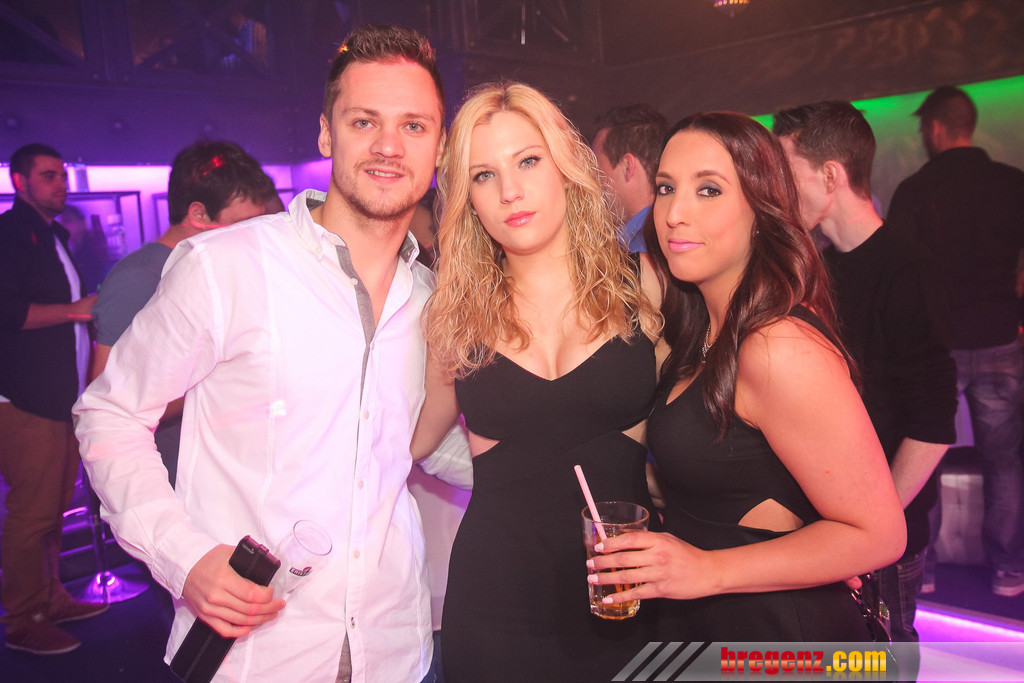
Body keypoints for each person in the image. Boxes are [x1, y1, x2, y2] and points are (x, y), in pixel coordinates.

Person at [74, 25, 469, 682]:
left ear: (439, 148)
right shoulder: (224, 266)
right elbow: (110, 415)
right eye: (364, 121)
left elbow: (415, 443)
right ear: (326, 134)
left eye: (413, 125)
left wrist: (543, 467)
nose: (388, 145)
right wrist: (184, 556)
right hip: (258, 654)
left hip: (395, 648)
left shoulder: (430, 299)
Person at [590, 112, 906, 641]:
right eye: (666, 188)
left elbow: (879, 534)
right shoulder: (703, 330)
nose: (675, 214)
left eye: (709, 190)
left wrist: (706, 569)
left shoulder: (777, 345)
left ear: (761, 210)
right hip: (712, 629)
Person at [411, 81, 663, 682]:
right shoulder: (454, 317)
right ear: (468, 198)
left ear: (566, 167)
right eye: (484, 175)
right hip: (495, 609)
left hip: (630, 594)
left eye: (527, 161)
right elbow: (410, 443)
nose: (510, 191)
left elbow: (708, 427)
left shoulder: (645, 286)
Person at [773, 100, 958, 666]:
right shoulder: (818, 269)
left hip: (881, 535)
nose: (778, 191)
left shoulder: (907, 266)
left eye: (787, 173)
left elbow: (934, 423)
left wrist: (873, 529)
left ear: (830, 176)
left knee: (886, 657)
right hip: (834, 529)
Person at [888, 86, 1024, 598]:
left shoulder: (917, 188)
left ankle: (924, 568)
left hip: (937, 344)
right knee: (1003, 460)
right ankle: (1008, 570)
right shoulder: (1012, 183)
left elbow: (899, 275)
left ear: (936, 128)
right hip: (999, 337)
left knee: (926, 456)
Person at [89, 139, 279, 486]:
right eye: (244, 224)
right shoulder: (138, 278)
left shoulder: (219, 268)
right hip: (165, 478)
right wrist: (228, 380)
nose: (255, 236)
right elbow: (106, 398)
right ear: (198, 215)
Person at [0, 143, 106, 655]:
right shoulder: (9, 234)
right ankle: (23, 620)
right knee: (31, 514)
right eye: (48, 175)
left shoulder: (51, 234)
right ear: (19, 182)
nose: (60, 183)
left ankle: (52, 597)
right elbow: (8, 314)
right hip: (24, 399)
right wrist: (75, 309)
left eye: (62, 174)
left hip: (58, 394)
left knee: (53, 507)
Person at [592, 103, 668, 253]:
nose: (590, 179)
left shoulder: (643, 250)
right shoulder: (669, 233)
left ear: (627, 166)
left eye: (595, 167)